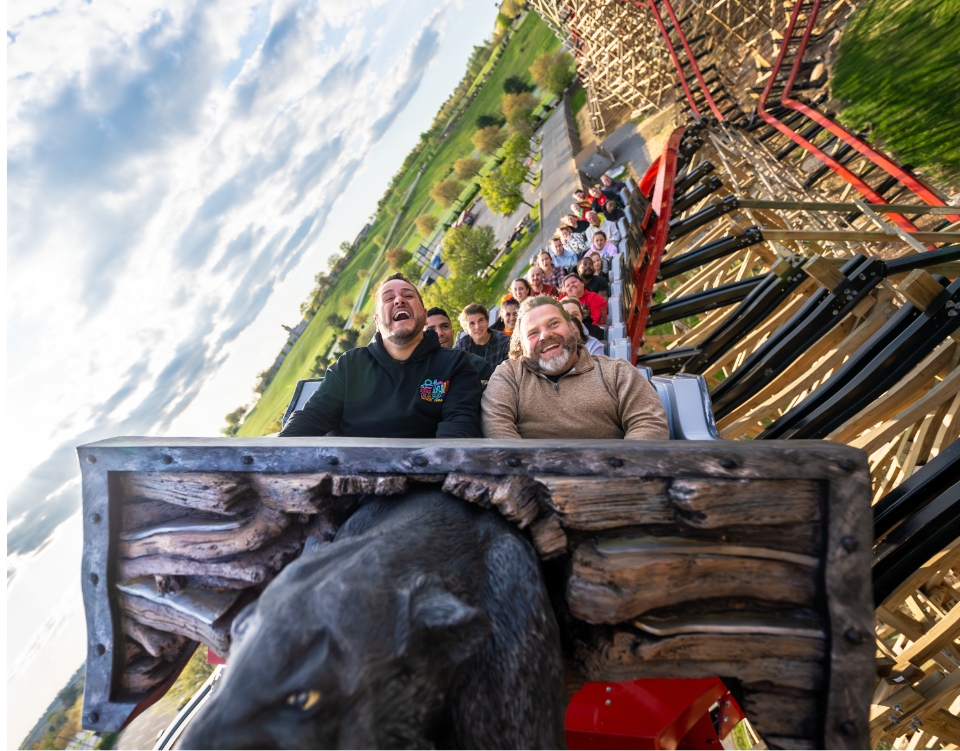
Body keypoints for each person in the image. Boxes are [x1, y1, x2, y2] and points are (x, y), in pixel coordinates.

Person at [280, 274, 482, 438]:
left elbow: (459, 430)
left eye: (408, 296)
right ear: (377, 321)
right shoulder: (349, 366)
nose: (399, 300)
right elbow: (311, 418)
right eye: (388, 298)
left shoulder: (455, 364)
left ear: (424, 315)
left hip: (429, 478)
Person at [481, 296, 668, 440]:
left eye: (554, 324)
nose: (545, 335)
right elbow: (497, 429)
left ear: (571, 327)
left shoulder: (616, 372)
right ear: (521, 344)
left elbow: (648, 424)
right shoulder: (509, 376)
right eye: (533, 333)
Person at [425, 307, 494, 382]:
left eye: (444, 326)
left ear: (452, 332)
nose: (439, 333)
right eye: (431, 330)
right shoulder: (415, 372)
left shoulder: (479, 366)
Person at [457, 302, 511, 371]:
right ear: (465, 329)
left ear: (487, 321)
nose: (477, 326)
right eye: (472, 323)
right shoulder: (462, 347)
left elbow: (510, 373)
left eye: (481, 320)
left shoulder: (505, 342)